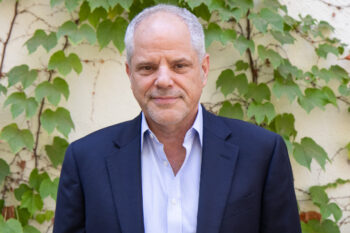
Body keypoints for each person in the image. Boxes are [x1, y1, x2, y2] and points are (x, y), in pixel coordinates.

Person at [53, 4, 301, 233]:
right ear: (130, 74)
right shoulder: (85, 161)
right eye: (147, 67)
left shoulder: (262, 153)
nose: (163, 80)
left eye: (179, 66)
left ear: (203, 70)